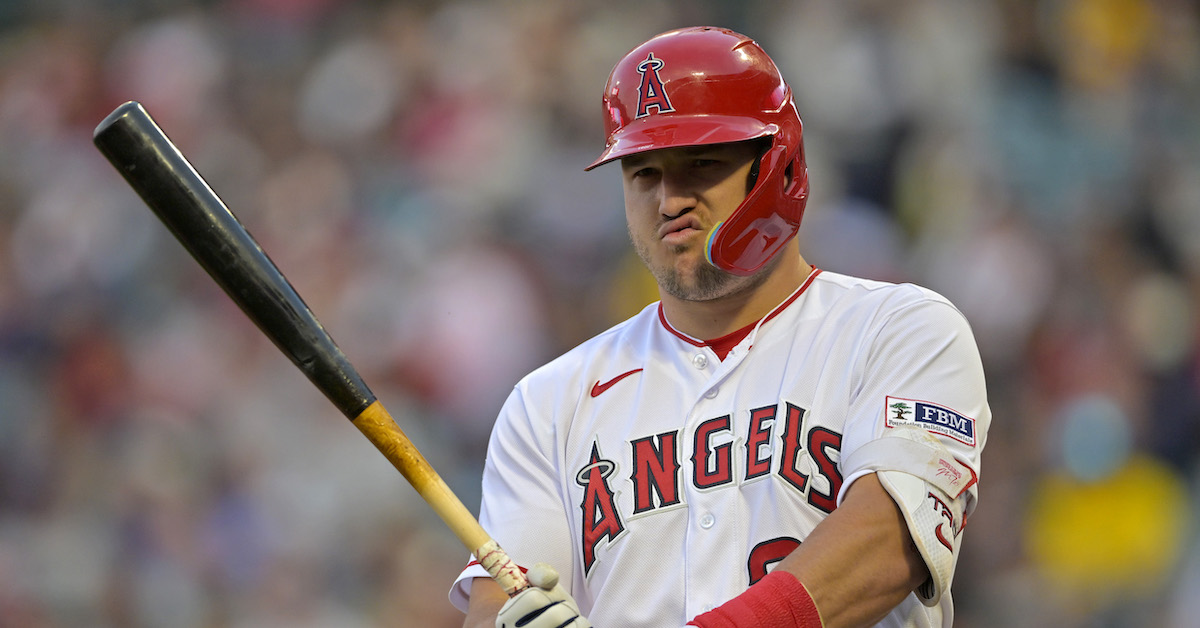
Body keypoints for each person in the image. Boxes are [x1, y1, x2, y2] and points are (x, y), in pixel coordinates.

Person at [450, 26, 990, 628]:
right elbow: (498, 605)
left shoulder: (900, 330)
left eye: (699, 162)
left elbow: (886, 548)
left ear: (777, 165)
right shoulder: (548, 404)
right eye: (643, 174)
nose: (668, 200)